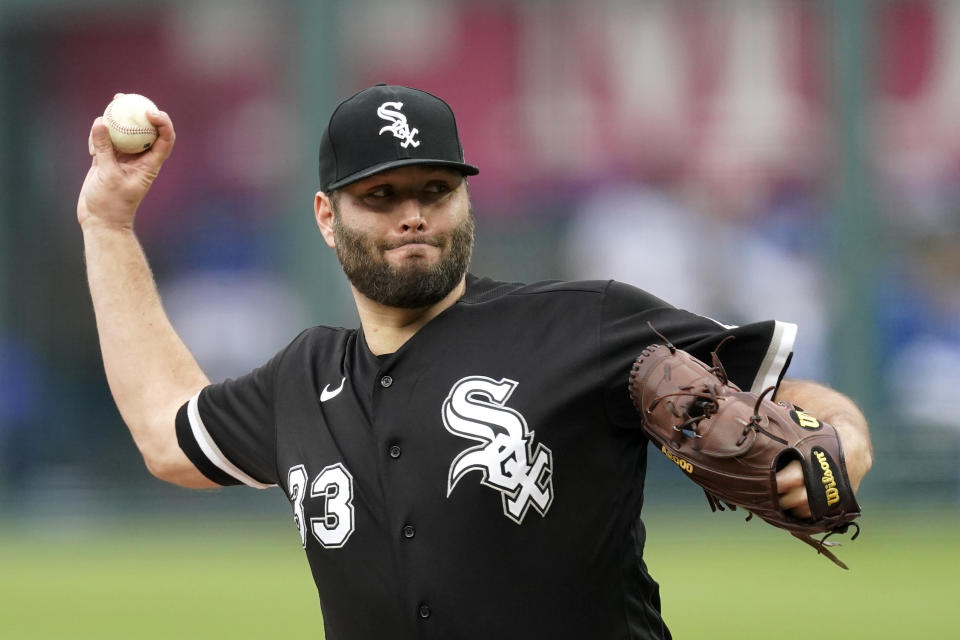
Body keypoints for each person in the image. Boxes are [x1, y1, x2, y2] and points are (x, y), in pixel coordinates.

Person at [78, 84, 873, 639]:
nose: (413, 213)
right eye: (380, 196)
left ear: (466, 199)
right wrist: (109, 224)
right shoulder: (300, 380)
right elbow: (164, 432)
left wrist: (843, 440)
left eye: (435, 188)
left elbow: (782, 389)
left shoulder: (585, 322)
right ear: (327, 216)